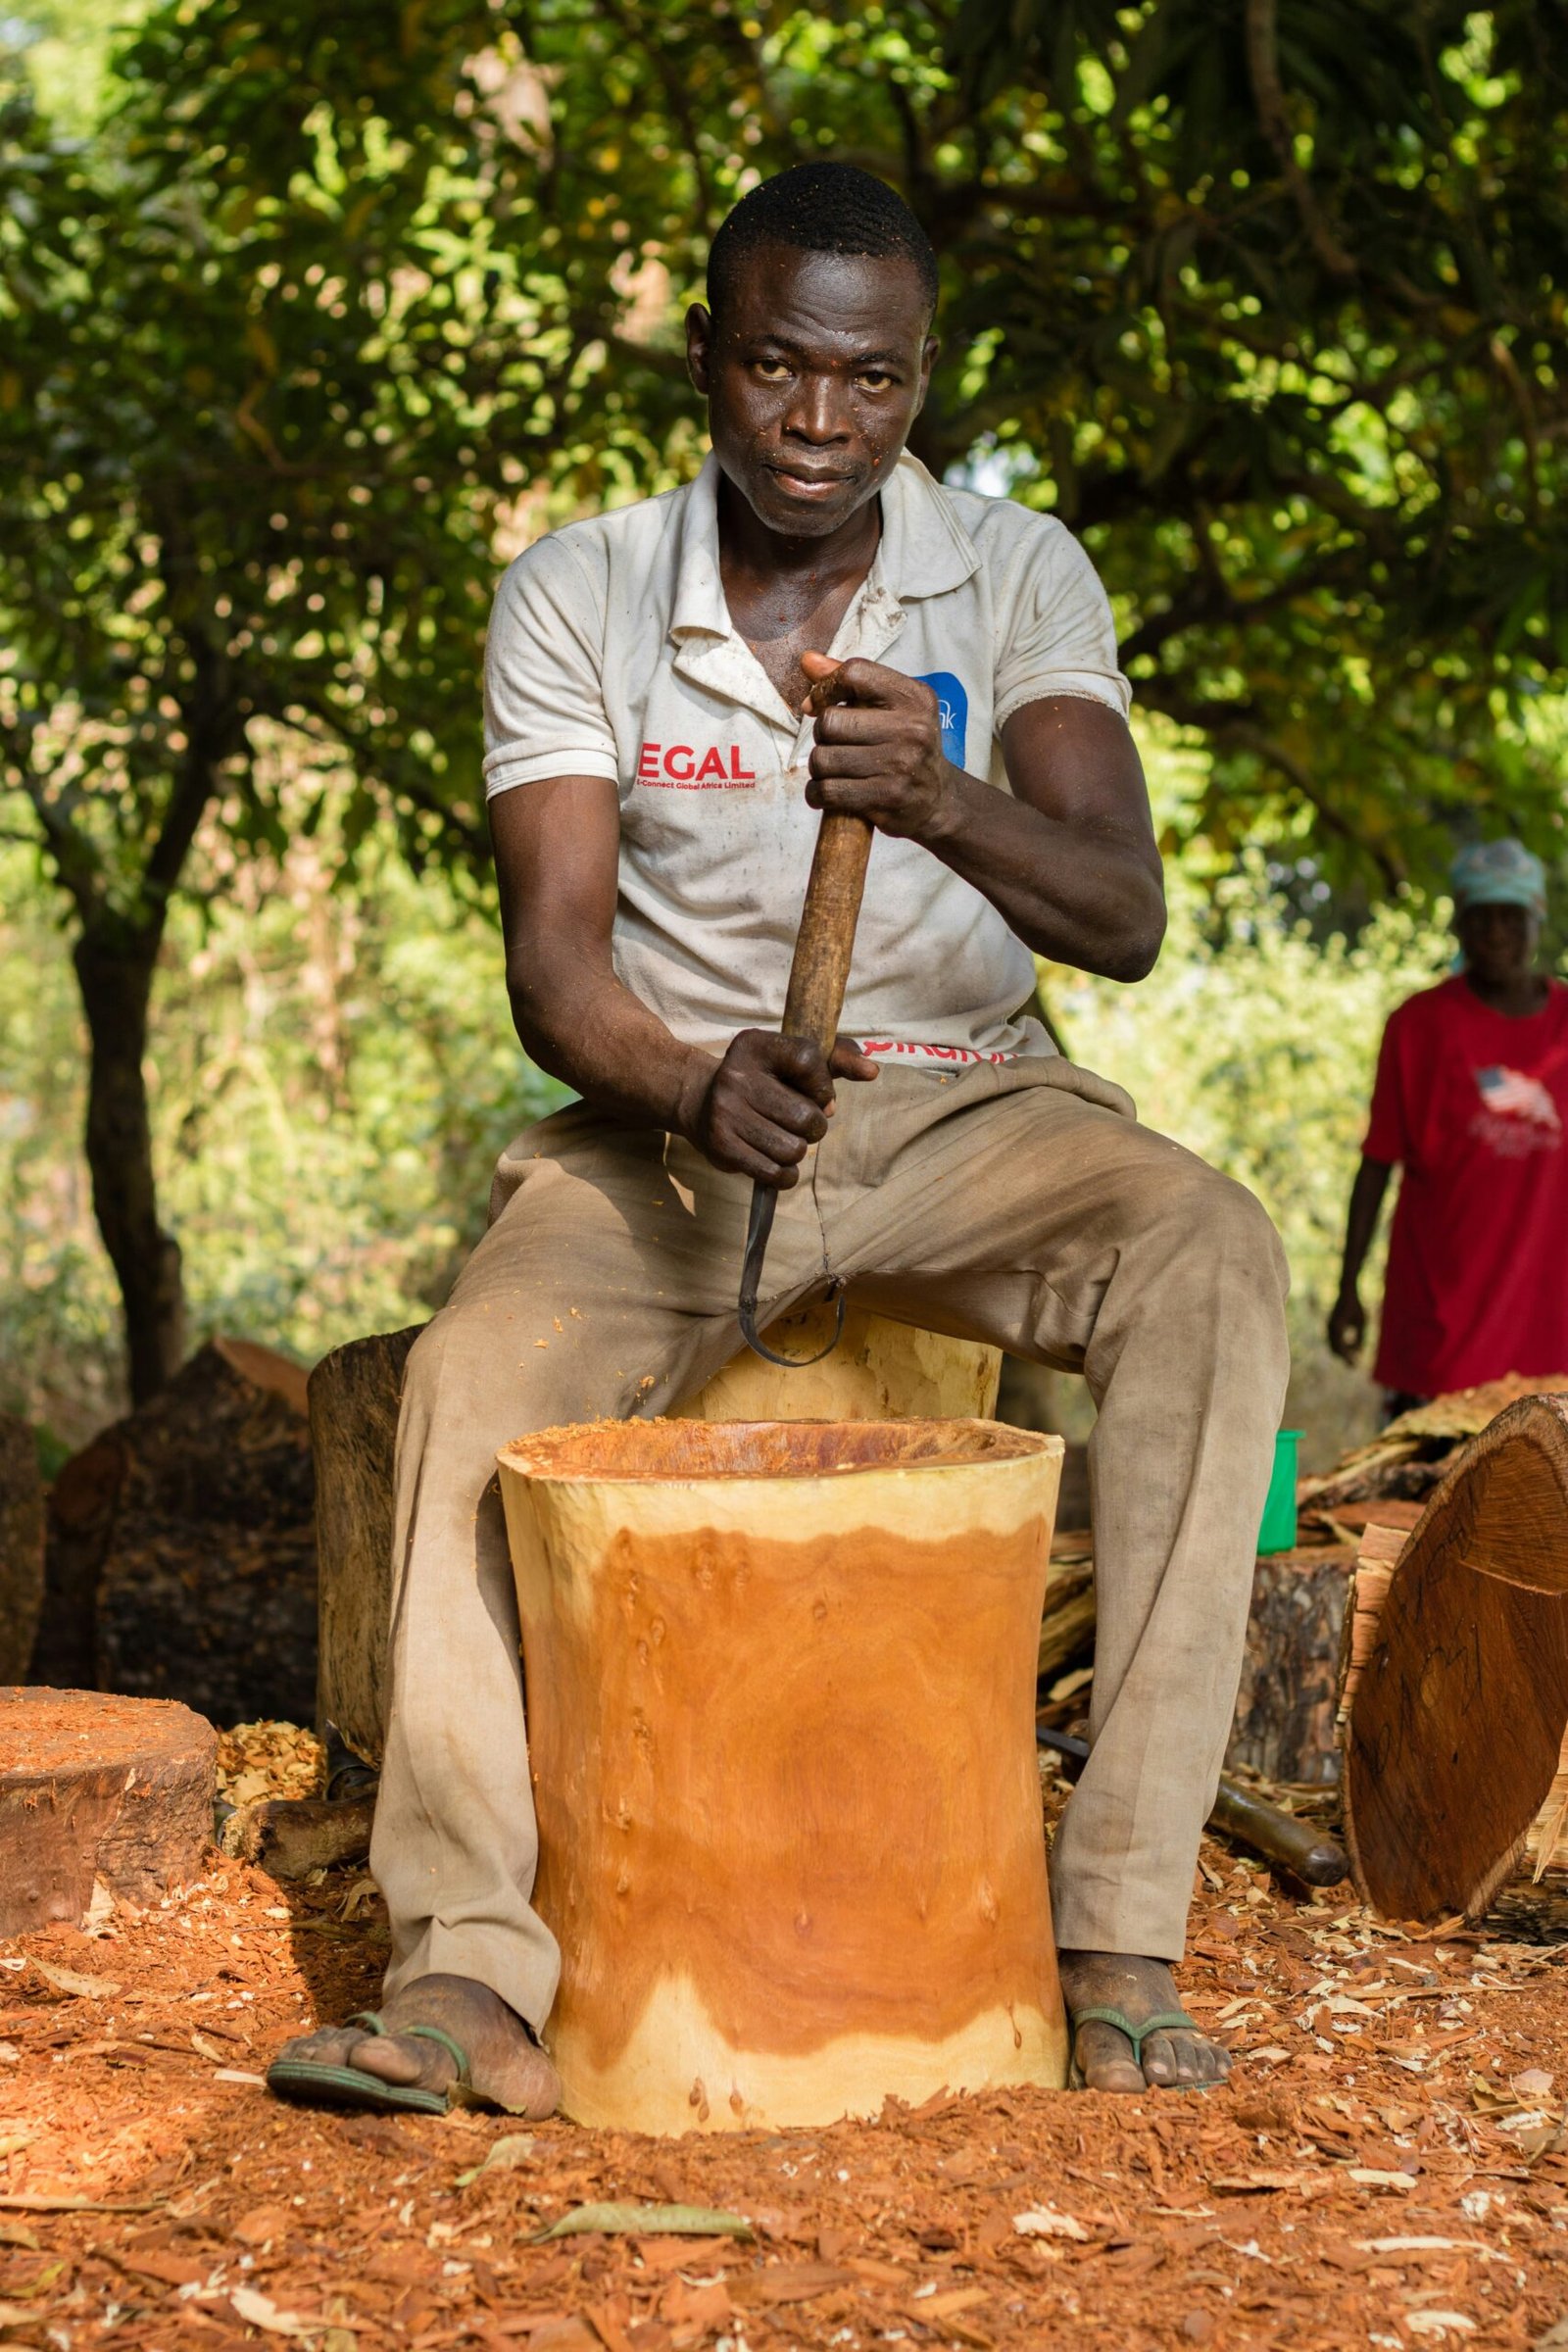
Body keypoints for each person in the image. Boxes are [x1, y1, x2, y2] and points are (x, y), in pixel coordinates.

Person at [268, 163, 1288, 2114]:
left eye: (870, 381)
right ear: (705, 360)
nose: (818, 426)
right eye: (774, 368)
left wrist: (945, 802)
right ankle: (470, 1981)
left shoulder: (1013, 570)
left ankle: (1116, 1940)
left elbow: (1122, 914)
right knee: (475, 1376)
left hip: (971, 1107)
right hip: (661, 1130)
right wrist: (683, 1083)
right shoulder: (577, 589)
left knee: (1209, 1253)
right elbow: (554, 970)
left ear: (920, 381)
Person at [1330, 840, 1568, 1413]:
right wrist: (1347, 1290)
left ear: (1537, 923)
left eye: (1510, 917)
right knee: (1419, 1497)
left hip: (1548, 1337)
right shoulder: (1418, 1026)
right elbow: (1377, 1163)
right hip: (1438, 1333)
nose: (1494, 934)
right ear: (1459, 926)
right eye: (1478, 917)